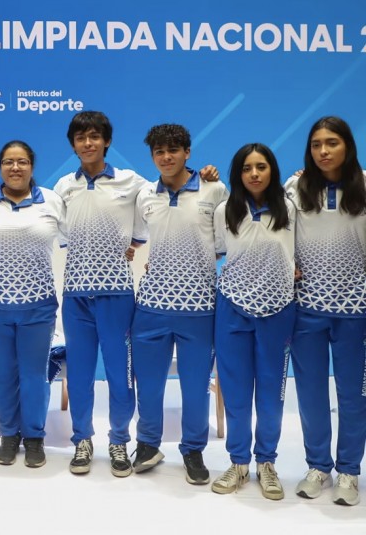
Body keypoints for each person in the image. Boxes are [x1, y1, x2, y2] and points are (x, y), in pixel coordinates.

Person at [49, 111, 220, 477]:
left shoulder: (134, 183)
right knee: (79, 375)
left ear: (107, 141)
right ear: (73, 145)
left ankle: (118, 440)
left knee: (120, 376)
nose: (88, 143)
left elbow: (157, 212)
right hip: (76, 296)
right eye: (81, 138)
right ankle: (82, 440)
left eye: (95, 136)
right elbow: (47, 218)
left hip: (118, 296)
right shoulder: (63, 186)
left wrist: (205, 175)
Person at [130, 124, 228, 485]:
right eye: (159, 151)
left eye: (173, 150)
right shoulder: (145, 194)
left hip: (200, 307)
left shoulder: (214, 189)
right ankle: (147, 444)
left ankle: (193, 450)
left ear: (187, 152)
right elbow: (137, 238)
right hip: (151, 305)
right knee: (148, 384)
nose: (166, 157)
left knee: (195, 386)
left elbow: (222, 246)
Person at [285, 116, 366, 507]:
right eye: (316, 144)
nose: (323, 151)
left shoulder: (364, 184)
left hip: (356, 309)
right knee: (311, 393)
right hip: (307, 310)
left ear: (347, 145)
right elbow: (277, 234)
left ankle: (349, 470)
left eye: (331, 142)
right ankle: (318, 466)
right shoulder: (296, 187)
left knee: (352, 395)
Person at [0, 140, 65, 468]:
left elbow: (78, 237)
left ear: (32, 166)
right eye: (8, 162)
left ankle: (35, 437)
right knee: (0, 376)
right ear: (0, 167)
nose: (15, 167)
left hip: (37, 306)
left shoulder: (52, 201)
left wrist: (129, 246)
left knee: (34, 375)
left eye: (22, 161)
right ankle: (9, 435)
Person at [211, 143, 296, 500]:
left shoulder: (291, 207)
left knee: (271, 394)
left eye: (261, 166)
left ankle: (267, 462)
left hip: (278, 309)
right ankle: (238, 463)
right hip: (233, 307)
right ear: (238, 174)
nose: (255, 174)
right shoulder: (224, 211)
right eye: (247, 168)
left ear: (272, 170)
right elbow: (218, 250)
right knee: (235, 391)